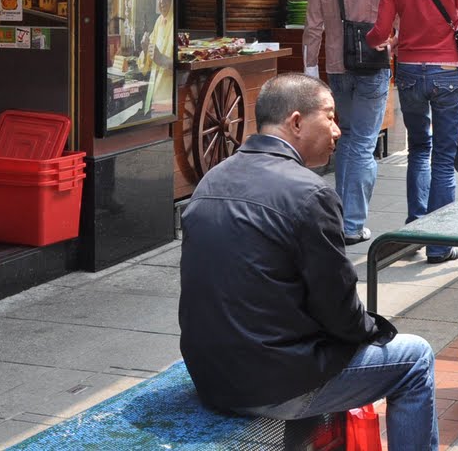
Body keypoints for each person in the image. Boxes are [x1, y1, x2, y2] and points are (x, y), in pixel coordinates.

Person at [179, 74, 438, 445]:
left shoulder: (211, 181)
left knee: (322, 347)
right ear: (296, 122)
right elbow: (341, 312)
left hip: (210, 374)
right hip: (271, 383)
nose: (338, 130)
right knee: (415, 358)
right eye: (330, 117)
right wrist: (376, 330)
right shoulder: (310, 194)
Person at [366, 0, 458, 263]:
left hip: (410, 73)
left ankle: (414, 231)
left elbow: (380, 32)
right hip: (447, 73)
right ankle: (439, 244)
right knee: (443, 157)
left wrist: (371, 39)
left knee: (418, 149)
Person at [304, 0, 395, 245]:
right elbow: (397, 13)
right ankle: (353, 224)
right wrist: (396, 43)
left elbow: (313, 24)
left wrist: (311, 71)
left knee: (346, 139)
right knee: (363, 144)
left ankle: (340, 218)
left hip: (336, 64)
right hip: (372, 61)